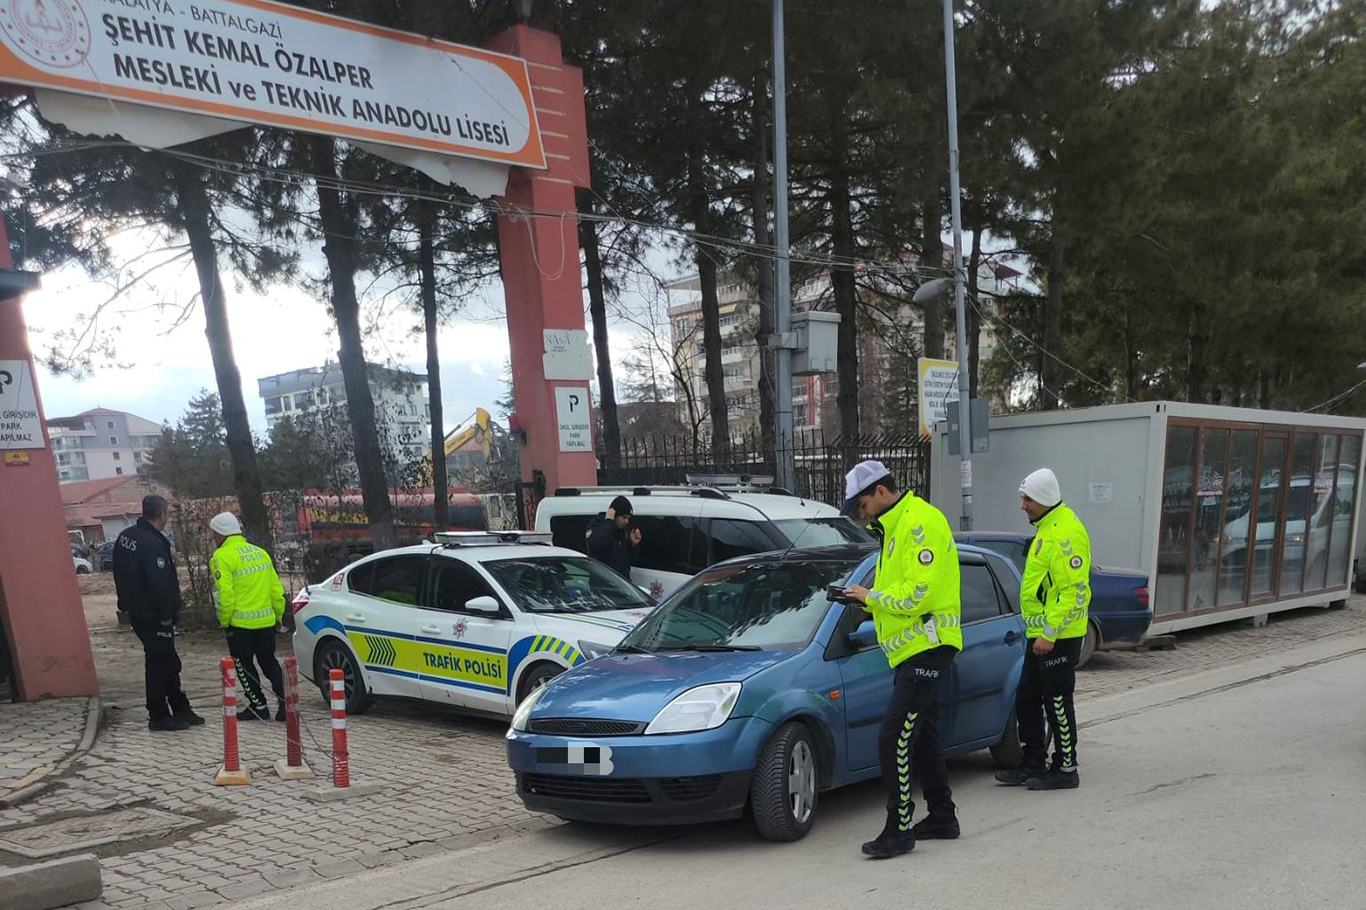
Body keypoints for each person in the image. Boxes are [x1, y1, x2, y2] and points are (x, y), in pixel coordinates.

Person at [839, 460, 962, 858]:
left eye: (860, 505)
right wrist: (863, 603)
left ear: (879, 491)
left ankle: (899, 828)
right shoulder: (892, 528)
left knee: (893, 737)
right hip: (911, 648)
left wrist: (868, 597)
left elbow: (918, 596)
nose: (860, 514)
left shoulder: (918, 522)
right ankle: (943, 816)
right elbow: (899, 595)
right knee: (923, 734)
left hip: (928, 644)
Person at [997, 467, 1091, 791]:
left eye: (1027, 499)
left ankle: (1066, 768)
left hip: (1058, 637)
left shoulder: (1065, 532)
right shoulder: (1047, 527)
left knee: (1057, 703)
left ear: (1044, 499)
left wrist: (1050, 633)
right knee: (1026, 698)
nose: (1023, 505)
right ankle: (1033, 761)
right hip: (1039, 636)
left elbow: (1074, 592)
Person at [112, 496, 203, 732]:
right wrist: (166, 614)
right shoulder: (151, 543)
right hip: (153, 615)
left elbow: (120, 573)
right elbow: (159, 583)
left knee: (169, 661)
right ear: (161, 515)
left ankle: (180, 708)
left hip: (138, 611)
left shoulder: (126, 537)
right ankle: (159, 715)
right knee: (159, 665)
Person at [209, 512, 287, 722]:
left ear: (220, 533)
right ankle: (286, 703)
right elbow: (275, 590)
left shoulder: (221, 557)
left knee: (243, 666)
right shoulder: (260, 553)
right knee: (269, 661)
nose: (213, 538)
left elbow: (225, 594)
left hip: (240, 624)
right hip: (266, 621)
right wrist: (278, 615)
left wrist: (225, 621)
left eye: (213, 533)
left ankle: (258, 705)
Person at [585, 495, 641, 578]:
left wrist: (633, 545)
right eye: (624, 517)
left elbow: (628, 561)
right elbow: (596, 543)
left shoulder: (623, 531)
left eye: (628, 518)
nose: (626, 521)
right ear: (614, 514)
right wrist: (608, 521)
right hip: (602, 584)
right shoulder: (597, 525)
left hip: (621, 583)